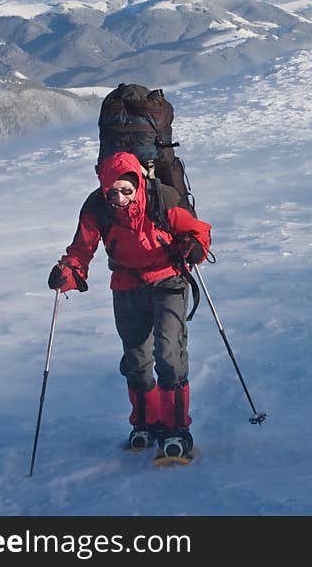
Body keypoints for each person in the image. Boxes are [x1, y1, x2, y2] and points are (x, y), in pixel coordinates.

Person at [47, 151, 212, 458]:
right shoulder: (97, 209)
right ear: (103, 187)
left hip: (169, 281)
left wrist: (195, 246)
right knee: (136, 360)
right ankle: (146, 423)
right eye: (113, 191)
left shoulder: (161, 200)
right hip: (126, 285)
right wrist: (67, 273)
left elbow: (199, 230)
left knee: (169, 355)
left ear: (138, 184)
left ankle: (175, 428)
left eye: (126, 190)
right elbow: (81, 250)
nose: (120, 198)